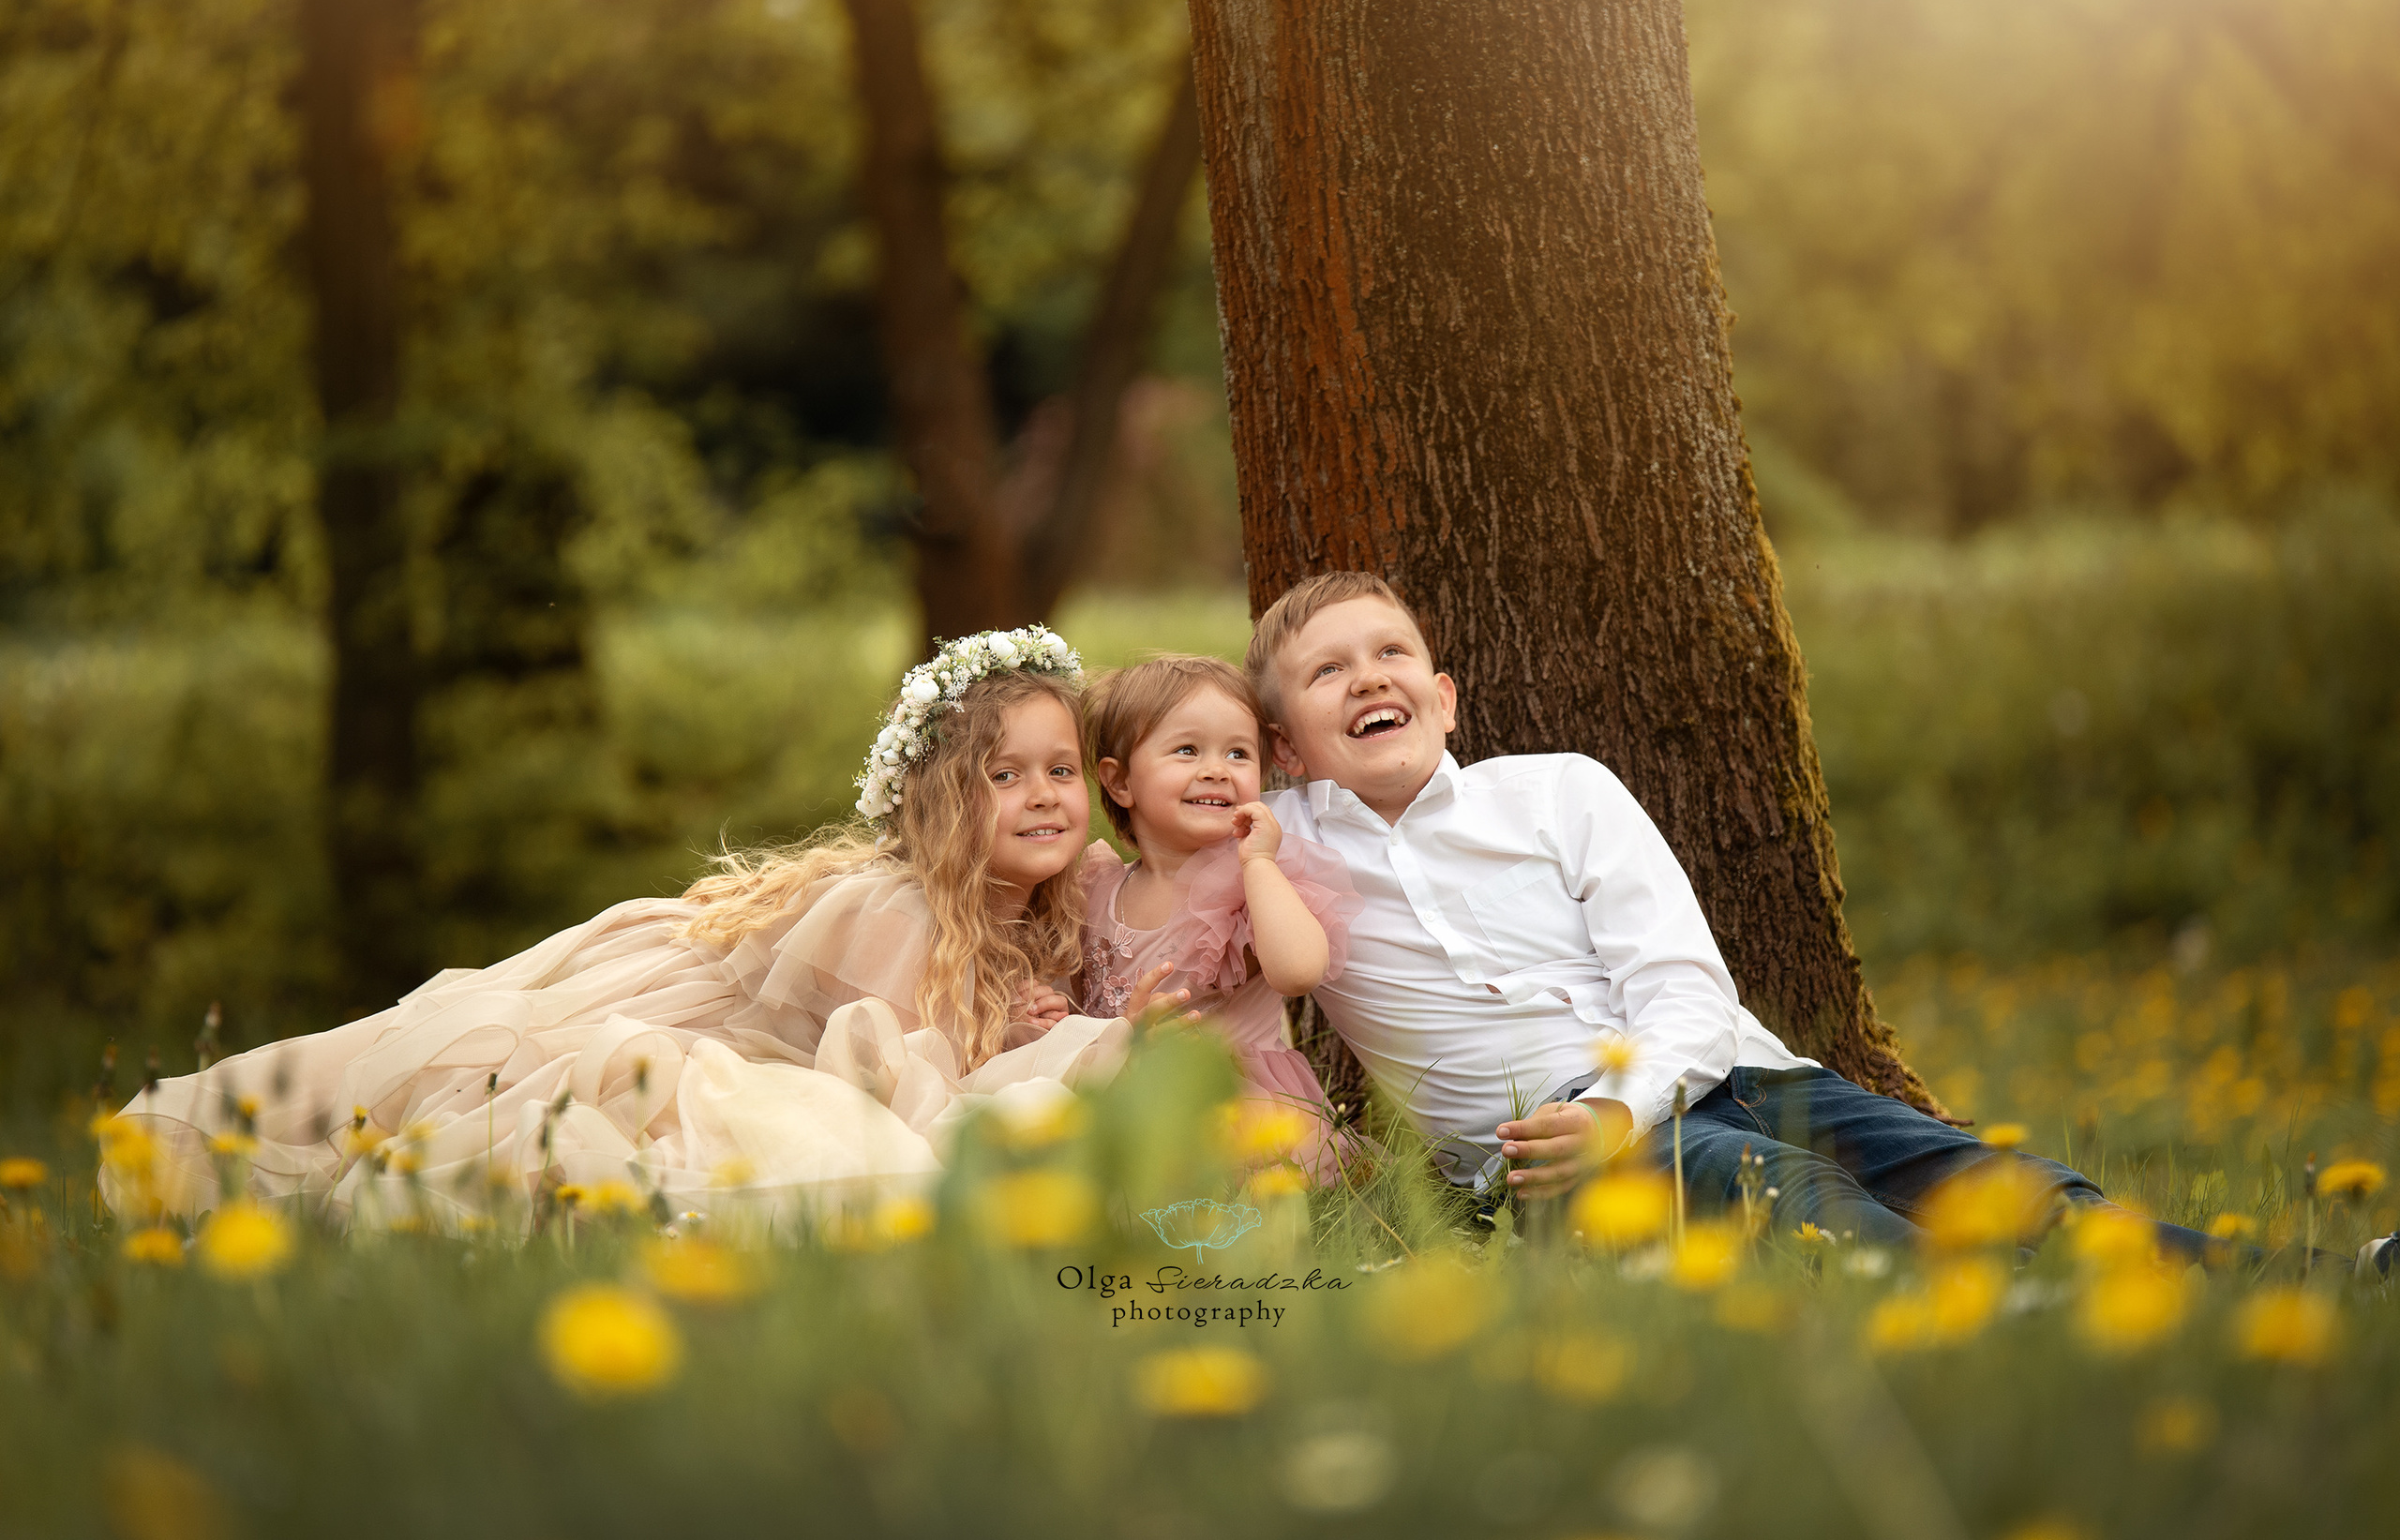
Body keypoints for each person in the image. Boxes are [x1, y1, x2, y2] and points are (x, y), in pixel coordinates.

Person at [1247, 572, 2229, 1261]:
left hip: (1731, 1073)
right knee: (1795, 1199)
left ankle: (2328, 1272)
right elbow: (1137, 814)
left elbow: (1682, 986)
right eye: (1328, 670)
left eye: (1390, 651)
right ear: (1284, 745)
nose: (1369, 675)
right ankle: (2028, 1308)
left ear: (1444, 696)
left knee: (1989, 1178)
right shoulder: (1273, 844)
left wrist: (1617, 1107)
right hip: (1550, 1151)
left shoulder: (1558, 791)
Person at [102, 627, 1138, 1233]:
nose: (1043, 796)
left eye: (1058, 770)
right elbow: (902, 1083)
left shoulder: (1056, 892)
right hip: (703, 1022)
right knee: (553, 1101)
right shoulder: (899, 913)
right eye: (1004, 776)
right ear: (942, 801)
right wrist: (1004, 1035)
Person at [1074, 655, 1361, 1182]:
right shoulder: (1096, 886)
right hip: (1123, 1090)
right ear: (1119, 783)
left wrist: (1258, 863)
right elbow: (1077, 994)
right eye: (1187, 750)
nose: (1216, 768)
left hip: (1236, 1101)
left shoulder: (1251, 882)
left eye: (1238, 752)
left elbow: (1299, 971)